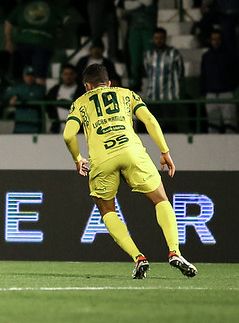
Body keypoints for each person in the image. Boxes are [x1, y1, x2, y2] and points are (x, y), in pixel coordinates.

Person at [63, 63, 198, 280]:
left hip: (102, 159)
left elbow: (68, 135)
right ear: (108, 83)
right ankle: (174, 251)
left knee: (107, 211)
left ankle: (138, 258)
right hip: (132, 152)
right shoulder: (126, 94)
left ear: (87, 86)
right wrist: (164, 151)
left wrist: (78, 159)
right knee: (161, 199)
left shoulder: (80, 102)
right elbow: (150, 120)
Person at [144, 27, 184, 131]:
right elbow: (147, 71)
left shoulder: (174, 54)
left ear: (165, 38)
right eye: (156, 38)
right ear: (153, 39)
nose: (159, 40)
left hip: (169, 97)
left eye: (161, 38)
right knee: (155, 128)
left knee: (170, 127)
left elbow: (180, 73)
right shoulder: (149, 55)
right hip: (153, 97)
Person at [200, 30, 238, 133]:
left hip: (227, 93)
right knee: (213, 126)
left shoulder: (229, 55)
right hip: (211, 95)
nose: (215, 42)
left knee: (230, 126)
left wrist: (231, 88)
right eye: (213, 39)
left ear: (222, 40)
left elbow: (235, 73)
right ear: (210, 40)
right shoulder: (206, 56)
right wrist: (204, 92)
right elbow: (203, 75)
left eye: (217, 39)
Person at [45, 63, 84, 134]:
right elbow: (48, 107)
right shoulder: (55, 90)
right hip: (57, 130)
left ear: (75, 75)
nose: (68, 77)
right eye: (66, 74)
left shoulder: (81, 90)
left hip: (78, 131)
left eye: (71, 74)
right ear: (62, 75)